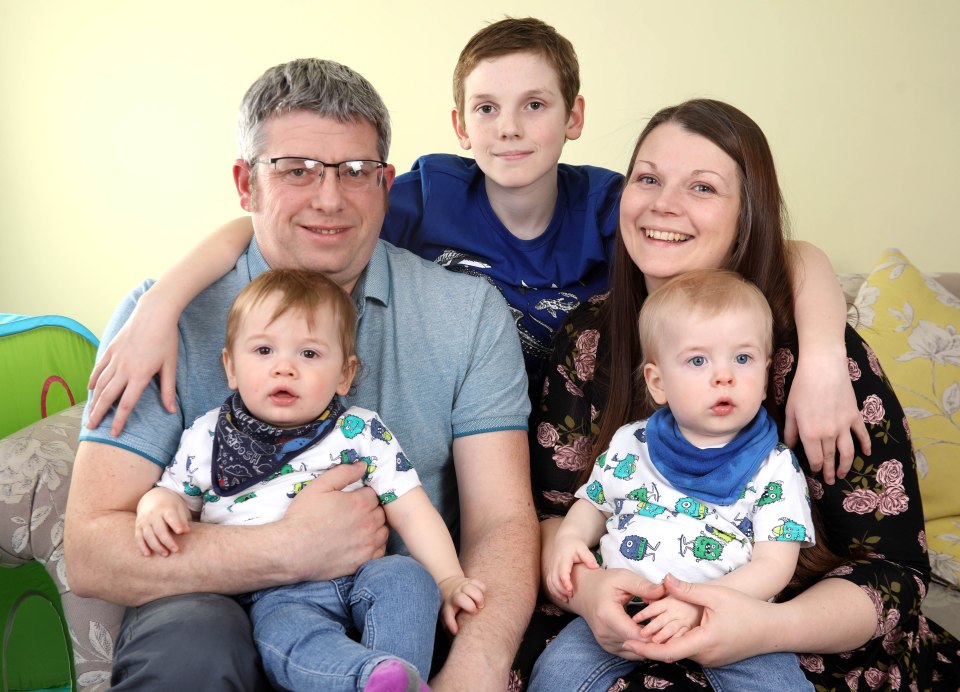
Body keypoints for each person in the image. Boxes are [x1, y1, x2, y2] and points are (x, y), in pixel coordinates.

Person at [84, 19, 867, 483]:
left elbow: (779, 249)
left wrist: (827, 352)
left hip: (594, 443)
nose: (510, 128)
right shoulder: (425, 194)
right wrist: (162, 303)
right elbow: (276, 225)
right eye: (487, 108)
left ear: (575, 116)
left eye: (535, 105)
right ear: (459, 125)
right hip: (477, 444)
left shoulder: (615, 203)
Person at [64, 58, 537, 691]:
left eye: (356, 172)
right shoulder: (162, 319)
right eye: (296, 171)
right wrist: (289, 548)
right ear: (245, 183)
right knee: (189, 640)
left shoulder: (467, 313)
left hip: (390, 608)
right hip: (215, 610)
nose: (330, 198)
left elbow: (502, 522)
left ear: (386, 183)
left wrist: (473, 670)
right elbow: (93, 551)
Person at [521, 98, 960, 690]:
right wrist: (587, 590)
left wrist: (761, 628)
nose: (664, 203)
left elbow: (893, 572)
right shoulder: (590, 337)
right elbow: (554, 513)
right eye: (648, 178)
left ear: (747, 213)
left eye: (702, 188)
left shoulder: (813, 355)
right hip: (618, 622)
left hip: (788, 635)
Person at [135, 268, 486, 691]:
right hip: (274, 592)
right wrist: (157, 507)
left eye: (309, 354)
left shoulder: (360, 430)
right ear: (230, 366)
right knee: (285, 635)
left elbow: (412, 509)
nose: (284, 368)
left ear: (345, 374)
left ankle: (400, 675)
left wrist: (448, 579)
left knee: (408, 579)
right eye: (263, 350)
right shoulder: (210, 436)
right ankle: (365, 678)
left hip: (362, 576)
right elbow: (175, 495)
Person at [529, 269, 813, 692]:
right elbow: (594, 503)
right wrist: (570, 538)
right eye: (698, 360)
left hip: (727, 618)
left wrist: (701, 606)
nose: (724, 376)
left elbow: (775, 564)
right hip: (624, 607)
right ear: (658, 383)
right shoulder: (633, 443)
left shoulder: (773, 467)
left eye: (743, 358)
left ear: (766, 372)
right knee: (555, 674)